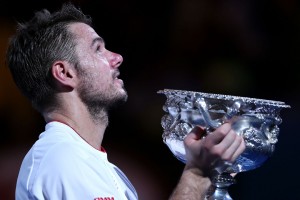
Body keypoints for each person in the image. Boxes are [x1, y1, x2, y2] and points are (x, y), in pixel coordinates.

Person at [6, 3, 245, 200]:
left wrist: (202, 175)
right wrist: (196, 174)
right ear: (65, 73)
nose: (117, 58)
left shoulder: (89, 162)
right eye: (98, 49)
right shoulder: (62, 160)